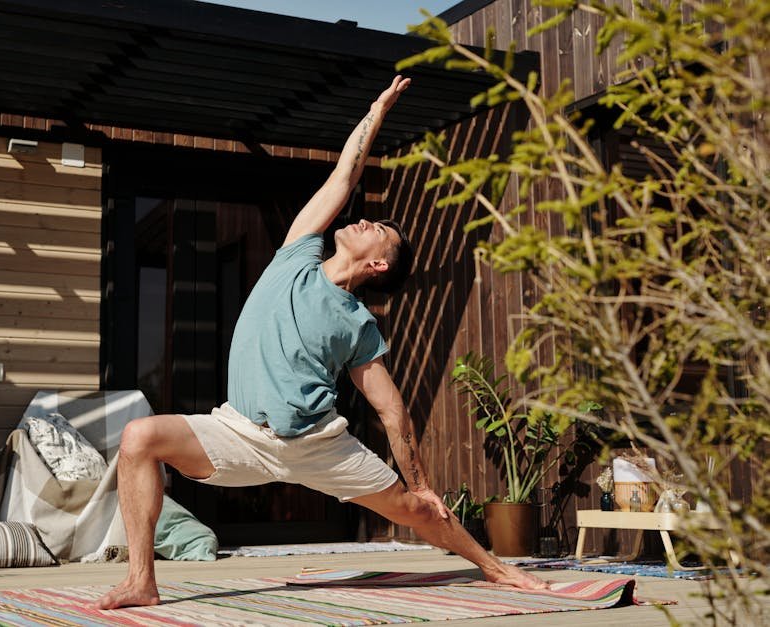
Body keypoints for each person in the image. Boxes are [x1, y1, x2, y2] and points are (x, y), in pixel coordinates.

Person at [95, 75, 547, 610]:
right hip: (238, 431)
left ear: (379, 264)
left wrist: (421, 482)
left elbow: (391, 409)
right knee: (139, 437)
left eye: (377, 227)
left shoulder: (359, 323)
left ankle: (495, 569)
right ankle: (141, 580)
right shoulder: (295, 256)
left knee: (419, 511)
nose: (363, 219)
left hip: (319, 445)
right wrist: (376, 112)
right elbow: (345, 175)